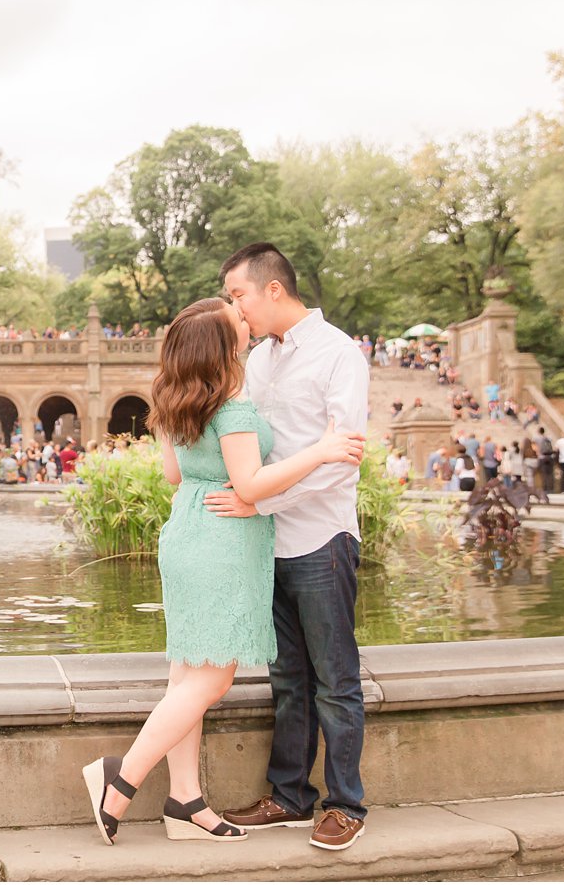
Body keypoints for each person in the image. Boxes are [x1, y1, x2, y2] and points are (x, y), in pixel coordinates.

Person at [82, 295, 364, 847]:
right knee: (214, 677)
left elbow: (171, 474)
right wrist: (324, 450)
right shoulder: (231, 405)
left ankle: (185, 800)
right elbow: (253, 485)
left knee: (187, 673)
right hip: (223, 540)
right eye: (237, 319)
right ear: (222, 343)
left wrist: (212, 479)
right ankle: (122, 777)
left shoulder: (170, 398)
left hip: (185, 529)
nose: (246, 319)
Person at [204, 243, 372, 851]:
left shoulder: (339, 354)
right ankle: (290, 796)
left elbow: (341, 463)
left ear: (273, 289)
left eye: (239, 293)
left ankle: (346, 804)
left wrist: (258, 501)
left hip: (322, 538)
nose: (235, 306)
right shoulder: (257, 361)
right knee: (288, 680)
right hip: (268, 541)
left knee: (334, 678)